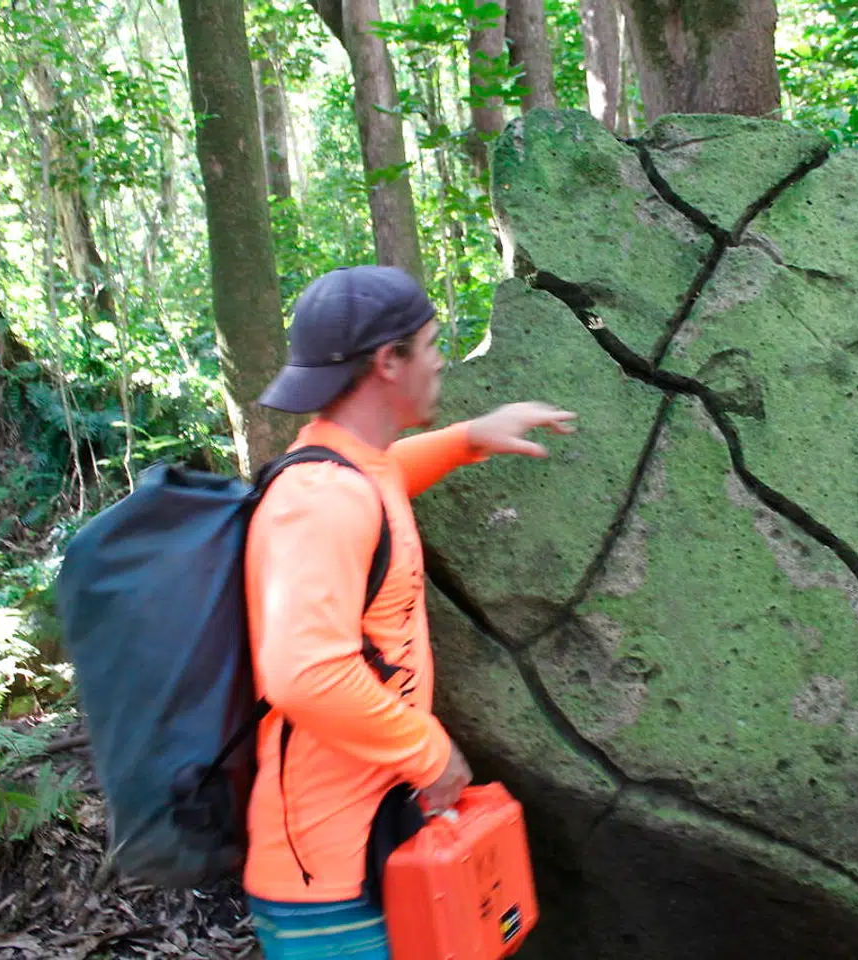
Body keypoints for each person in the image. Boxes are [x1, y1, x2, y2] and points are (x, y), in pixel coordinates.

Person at [242, 265, 574, 958]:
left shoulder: (357, 466)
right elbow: (303, 674)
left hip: (373, 848)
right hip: (328, 878)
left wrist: (470, 438)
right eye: (428, 343)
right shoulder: (321, 499)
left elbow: (387, 480)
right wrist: (430, 753)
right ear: (387, 362)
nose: (440, 356)